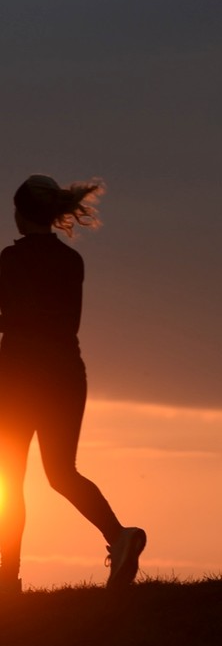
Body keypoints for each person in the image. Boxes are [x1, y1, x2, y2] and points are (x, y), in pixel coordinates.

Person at [0, 174, 146, 594]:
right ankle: (119, 536)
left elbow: (13, 317)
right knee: (62, 473)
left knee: (9, 476)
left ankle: (8, 579)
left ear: (21, 213)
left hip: (19, 376)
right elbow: (60, 320)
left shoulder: (11, 260)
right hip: (66, 373)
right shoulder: (71, 261)